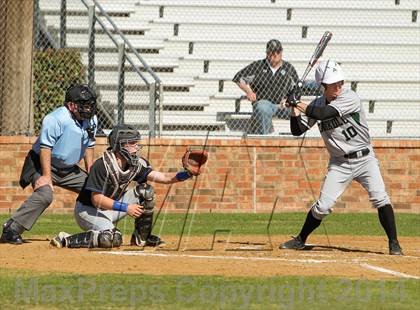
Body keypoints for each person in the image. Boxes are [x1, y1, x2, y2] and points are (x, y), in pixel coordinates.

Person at [279, 60, 403, 255]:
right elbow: (297, 130)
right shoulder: (317, 102)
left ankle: (394, 243)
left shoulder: (350, 97)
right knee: (322, 206)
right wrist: (293, 109)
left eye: (340, 81)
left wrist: (297, 102)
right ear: (323, 86)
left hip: (365, 158)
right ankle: (300, 240)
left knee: (380, 197)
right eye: (333, 83)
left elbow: (325, 113)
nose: (338, 85)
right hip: (339, 163)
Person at [49, 124, 203, 249]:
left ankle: (141, 238)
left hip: (111, 209)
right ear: (119, 146)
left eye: (137, 143)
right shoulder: (102, 165)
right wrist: (126, 208)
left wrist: (187, 174)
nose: (137, 147)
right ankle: (67, 238)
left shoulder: (133, 164)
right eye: (132, 144)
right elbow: (96, 200)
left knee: (146, 192)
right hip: (88, 211)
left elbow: (163, 178)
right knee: (111, 239)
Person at [0, 84, 98, 245]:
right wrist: (46, 176)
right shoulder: (55, 119)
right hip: (42, 164)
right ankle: (11, 229)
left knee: (96, 189)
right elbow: (46, 148)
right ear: (71, 105)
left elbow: (89, 145)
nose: (88, 108)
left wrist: (91, 173)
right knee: (45, 195)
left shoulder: (91, 119)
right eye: (84, 104)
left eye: (90, 104)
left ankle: (102, 229)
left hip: (68, 169)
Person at [233, 39, 299, 134]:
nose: (275, 54)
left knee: (301, 108)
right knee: (262, 108)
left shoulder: (289, 68)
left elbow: (297, 88)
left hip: (283, 106)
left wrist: (289, 100)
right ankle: (264, 139)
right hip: (264, 104)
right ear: (267, 53)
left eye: (278, 51)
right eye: (272, 52)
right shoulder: (258, 66)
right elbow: (238, 78)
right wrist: (249, 92)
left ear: (281, 52)